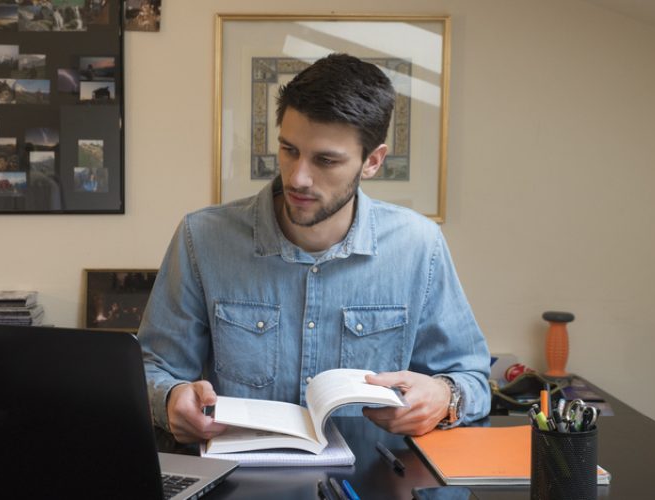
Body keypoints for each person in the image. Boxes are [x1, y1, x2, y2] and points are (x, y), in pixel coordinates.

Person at [140, 53, 491, 444]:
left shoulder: (418, 246)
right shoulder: (202, 238)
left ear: (372, 161)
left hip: (376, 485)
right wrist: (170, 399)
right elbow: (151, 368)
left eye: (325, 160)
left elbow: (472, 378)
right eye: (289, 150)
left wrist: (444, 396)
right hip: (241, 484)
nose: (298, 177)